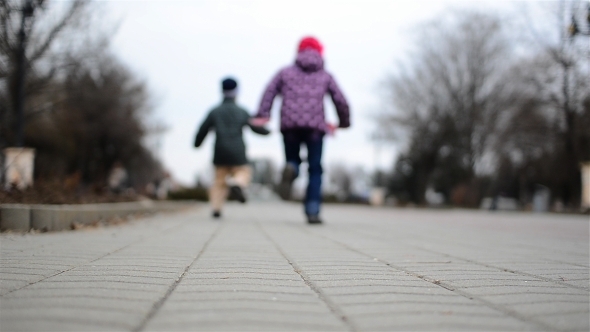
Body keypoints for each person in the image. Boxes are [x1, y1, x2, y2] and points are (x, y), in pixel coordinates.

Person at [252, 36, 350, 224]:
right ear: (320, 53)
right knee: (315, 168)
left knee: (293, 158)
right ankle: (312, 209)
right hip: (315, 127)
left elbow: (269, 92)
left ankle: (292, 167)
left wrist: (263, 113)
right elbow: (341, 100)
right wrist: (343, 122)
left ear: (298, 52)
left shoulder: (285, 72)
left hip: (289, 125)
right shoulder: (325, 75)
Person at [194, 77, 270, 219]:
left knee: (219, 182)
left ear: (221, 91)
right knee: (243, 172)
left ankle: (216, 208)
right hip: (238, 152)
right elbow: (255, 126)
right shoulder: (241, 111)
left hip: (220, 151)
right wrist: (268, 131)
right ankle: (237, 183)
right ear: (237, 92)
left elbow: (202, 129)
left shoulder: (215, 111)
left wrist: (197, 143)